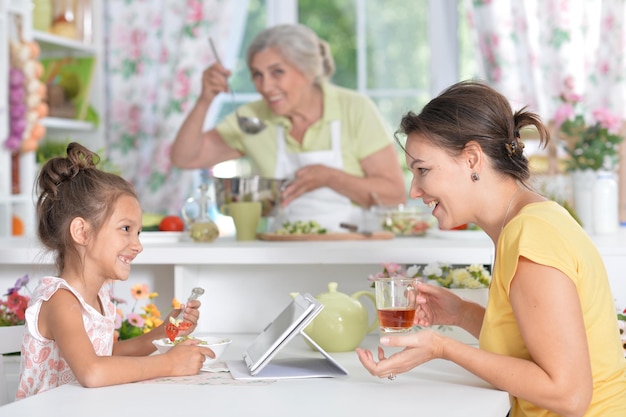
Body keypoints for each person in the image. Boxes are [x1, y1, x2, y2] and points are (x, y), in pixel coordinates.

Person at [356, 81, 626, 417]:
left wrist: (443, 347)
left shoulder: (532, 235)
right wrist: (460, 314)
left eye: (423, 170)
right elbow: (533, 345)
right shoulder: (527, 222)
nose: (414, 191)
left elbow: (569, 395)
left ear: (472, 159)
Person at [16, 143, 214, 399]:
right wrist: (170, 364)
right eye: (125, 229)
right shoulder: (60, 300)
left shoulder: (100, 296)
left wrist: (164, 332)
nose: (138, 245)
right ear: (82, 232)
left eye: (139, 232)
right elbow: (92, 371)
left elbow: (106, 356)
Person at [171, 24, 406, 230]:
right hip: (279, 251)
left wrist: (330, 177)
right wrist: (205, 100)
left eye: (277, 72)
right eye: (257, 75)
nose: (265, 86)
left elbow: (394, 195)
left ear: (309, 70)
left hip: (355, 251)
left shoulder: (354, 108)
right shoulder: (253, 117)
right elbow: (185, 158)